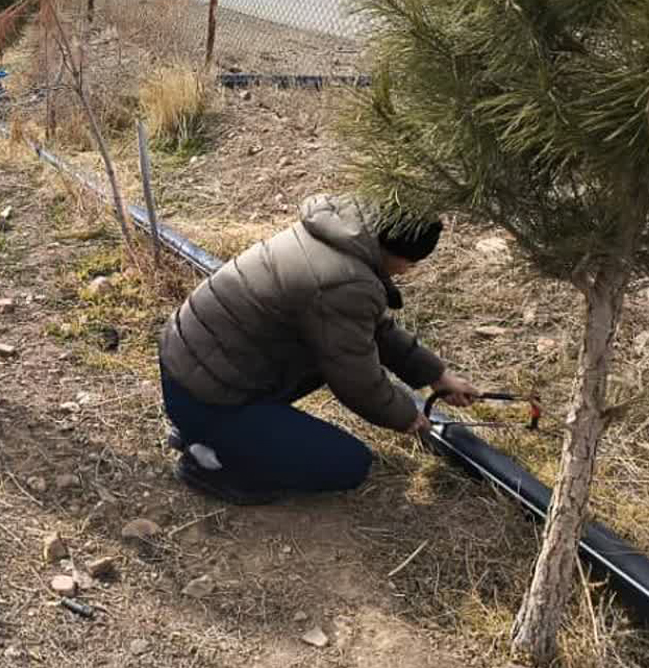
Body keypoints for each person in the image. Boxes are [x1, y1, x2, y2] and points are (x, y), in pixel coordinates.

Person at [158, 193, 479, 505]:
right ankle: (208, 464)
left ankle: (211, 432)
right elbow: (357, 381)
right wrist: (404, 416)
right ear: (396, 251)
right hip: (205, 394)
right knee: (347, 465)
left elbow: (373, 332)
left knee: (319, 361)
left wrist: (437, 375)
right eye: (411, 262)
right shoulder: (343, 282)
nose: (408, 271)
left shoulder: (338, 234)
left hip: (193, 367)